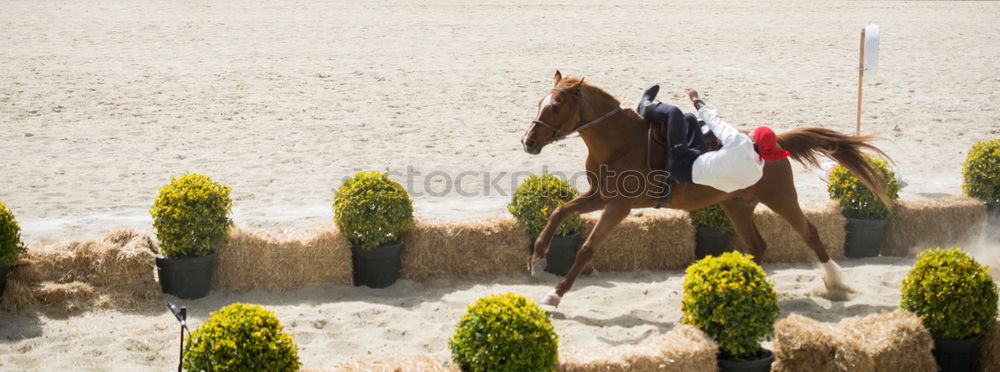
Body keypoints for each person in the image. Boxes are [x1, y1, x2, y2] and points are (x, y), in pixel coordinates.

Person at [636, 85, 790, 193]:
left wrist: (696, 99)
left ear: (755, 141)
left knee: (674, 112)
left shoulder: (740, 142)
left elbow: (715, 121)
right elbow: (727, 187)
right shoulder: (757, 172)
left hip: (682, 165)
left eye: (753, 133)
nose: (750, 132)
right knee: (689, 119)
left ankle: (644, 106)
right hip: (697, 169)